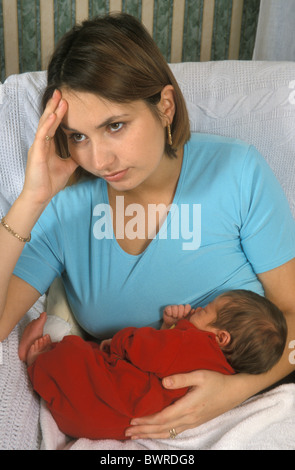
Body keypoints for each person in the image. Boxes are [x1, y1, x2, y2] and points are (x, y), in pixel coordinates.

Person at [0, 12, 294, 441]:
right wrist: (31, 200)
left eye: (114, 126)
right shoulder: (66, 206)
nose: (99, 160)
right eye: (78, 136)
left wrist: (234, 390)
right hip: (126, 420)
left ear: (165, 107)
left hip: (250, 408)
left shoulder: (238, 172)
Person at [19, 290, 287, 440]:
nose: (198, 308)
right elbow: (165, 367)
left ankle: (37, 359)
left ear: (221, 337)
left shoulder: (193, 345)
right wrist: (174, 327)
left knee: (74, 352)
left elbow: (143, 349)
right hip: (104, 427)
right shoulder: (221, 371)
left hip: (101, 399)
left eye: (206, 311)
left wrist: (119, 342)